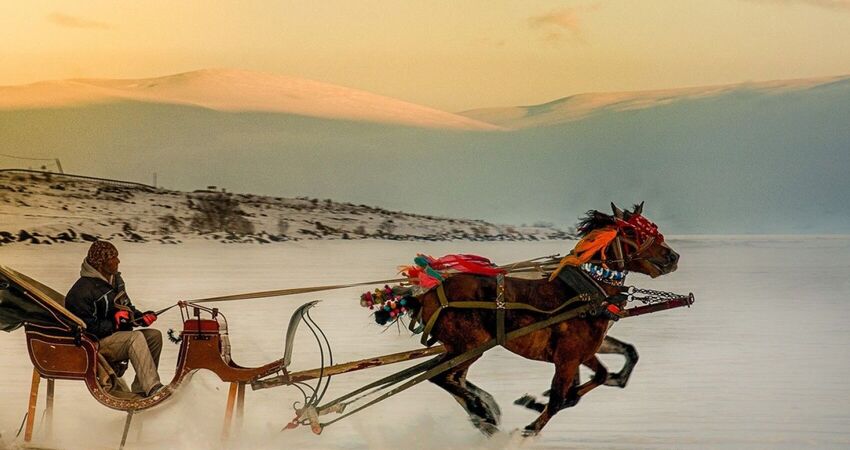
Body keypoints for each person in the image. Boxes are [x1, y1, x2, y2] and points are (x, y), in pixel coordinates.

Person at [65, 240, 165, 397]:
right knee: (135, 338)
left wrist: (139, 317)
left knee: (154, 336)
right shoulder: (81, 291)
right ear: (101, 262)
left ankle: (142, 390)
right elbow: (85, 329)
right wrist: (115, 323)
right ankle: (153, 388)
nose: (118, 261)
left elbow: (126, 307)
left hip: (114, 336)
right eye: (113, 258)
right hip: (96, 344)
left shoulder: (115, 280)